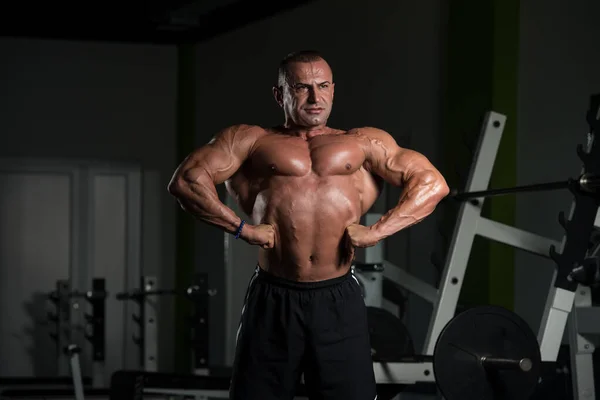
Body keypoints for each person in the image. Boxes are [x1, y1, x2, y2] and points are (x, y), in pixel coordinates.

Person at [167, 50, 449, 400]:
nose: (315, 98)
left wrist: (378, 232)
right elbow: (187, 181)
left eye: (323, 86)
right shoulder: (251, 140)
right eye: (302, 87)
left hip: (338, 297)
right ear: (279, 94)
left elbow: (432, 183)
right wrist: (242, 229)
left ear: (333, 89)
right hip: (273, 297)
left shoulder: (362, 143)